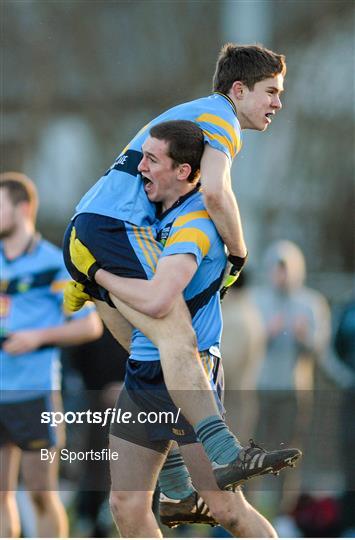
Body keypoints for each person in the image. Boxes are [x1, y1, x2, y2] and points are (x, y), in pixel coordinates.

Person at [63, 44, 290, 488]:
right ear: (238, 90)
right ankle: (225, 452)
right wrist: (240, 253)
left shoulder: (200, 113)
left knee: (153, 344)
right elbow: (215, 193)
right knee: (179, 334)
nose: (278, 103)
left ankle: (170, 473)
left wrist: (91, 276)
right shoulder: (222, 117)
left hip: (90, 229)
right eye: (271, 91)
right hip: (112, 229)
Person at [0, 172, 103, 538]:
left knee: (41, 494)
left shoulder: (54, 261)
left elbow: (90, 326)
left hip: (35, 392)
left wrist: (37, 336)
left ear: (23, 208)